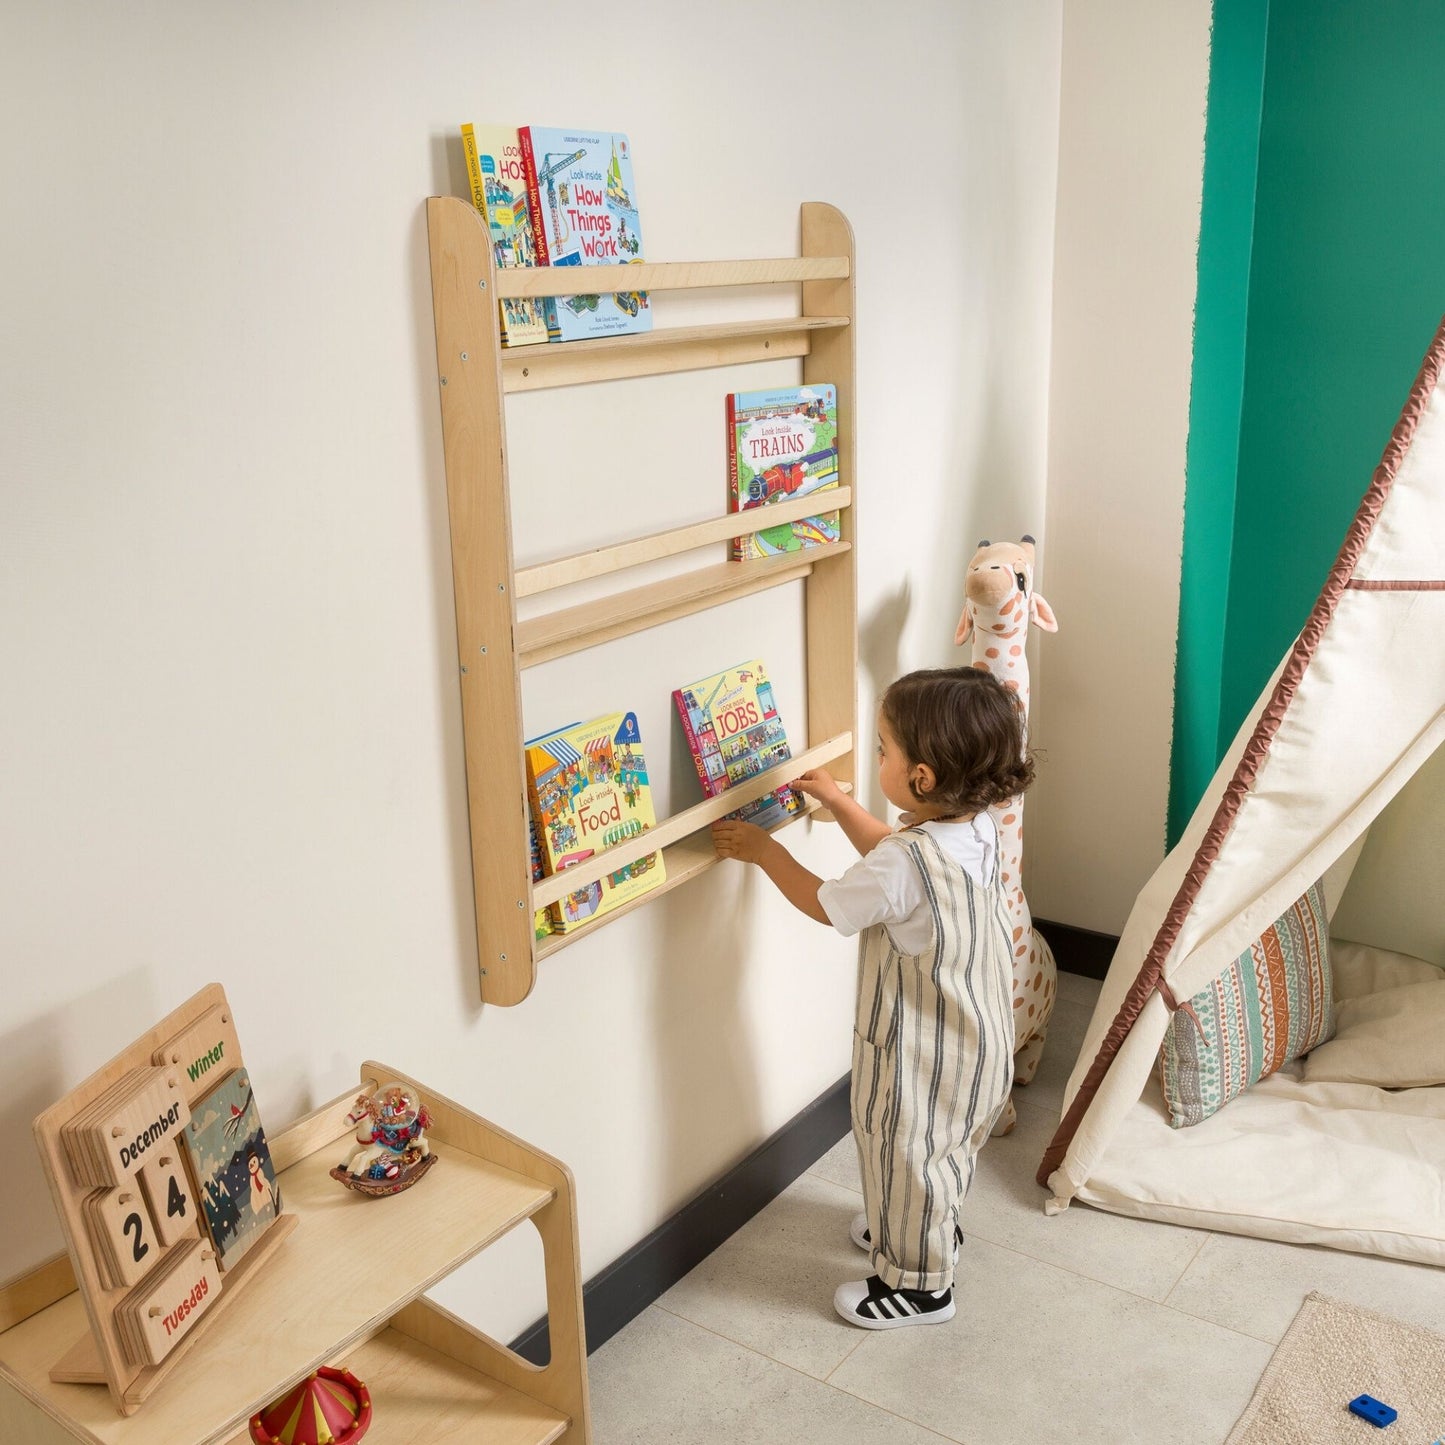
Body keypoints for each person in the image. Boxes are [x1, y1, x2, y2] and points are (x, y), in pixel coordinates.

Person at [712, 666, 1033, 1329]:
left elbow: (830, 902)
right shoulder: (971, 827)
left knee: (906, 1148)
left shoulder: (905, 861)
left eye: (883, 749)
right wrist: (835, 802)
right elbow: (893, 855)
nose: (877, 757)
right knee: (943, 1150)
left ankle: (919, 1283)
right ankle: (923, 1227)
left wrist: (764, 851)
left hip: (924, 1056)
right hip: (980, 1043)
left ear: (919, 777)